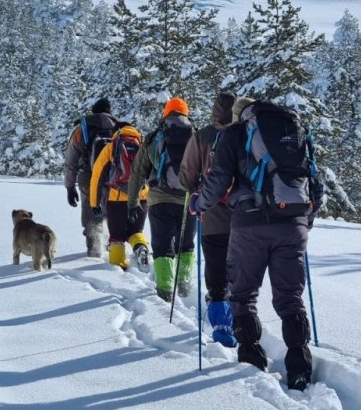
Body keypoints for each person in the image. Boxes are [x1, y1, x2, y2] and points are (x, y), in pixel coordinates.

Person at [189, 98, 324, 391]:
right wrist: (306, 220)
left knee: (243, 295)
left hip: (250, 225)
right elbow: (315, 181)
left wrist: (199, 203)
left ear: (240, 116)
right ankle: (300, 366)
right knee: (290, 298)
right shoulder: (294, 131)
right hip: (293, 224)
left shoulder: (234, 133)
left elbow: (219, 178)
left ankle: (251, 357)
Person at [179, 91, 238, 348]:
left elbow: (186, 175)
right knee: (239, 275)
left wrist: (196, 193)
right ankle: (243, 326)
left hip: (211, 214)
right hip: (244, 217)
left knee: (216, 277)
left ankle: (223, 328)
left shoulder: (202, 136)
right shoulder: (246, 133)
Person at [127, 98, 195, 302]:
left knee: (163, 244)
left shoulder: (153, 138)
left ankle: (165, 291)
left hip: (159, 199)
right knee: (186, 245)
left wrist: (132, 202)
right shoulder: (195, 136)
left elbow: (137, 173)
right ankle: (184, 286)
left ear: (166, 113)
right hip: (188, 201)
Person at [89, 123, 150, 270]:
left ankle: (119, 267)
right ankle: (141, 248)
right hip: (141, 198)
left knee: (117, 236)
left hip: (116, 200)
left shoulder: (110, 148)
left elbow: (97, 177)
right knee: (135, 231)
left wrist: (94, 203)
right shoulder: (144, 146)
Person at [63, 98, 118, 257]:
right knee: (113, 212)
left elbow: (70, 161)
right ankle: (115, 248)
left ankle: (94, 251)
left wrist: (70, 186)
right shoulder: (119, 128)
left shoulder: (83, 128)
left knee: (90, 210)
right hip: (113, 177)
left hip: (89, 176)